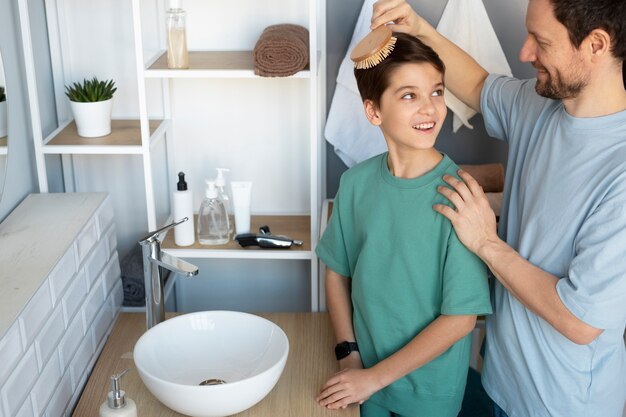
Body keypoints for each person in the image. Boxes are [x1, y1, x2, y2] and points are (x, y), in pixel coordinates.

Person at [370, 0, 626, 416]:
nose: (525, 53)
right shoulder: (538, 105)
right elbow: (478, 85)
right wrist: (419, 29)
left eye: (541, 41)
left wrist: (486, 242)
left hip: (559, 406)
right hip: (499, 381)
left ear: (596, 44)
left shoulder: (620, 172)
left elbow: (580, 321)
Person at [315, 32, 492, 417]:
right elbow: (336, 272)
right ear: (374, 111)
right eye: (409, 95)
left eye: (437, 91)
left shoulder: (461, 196)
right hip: (362, 380)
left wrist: (375, 377)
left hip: (428, 393)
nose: (430, 108)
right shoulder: (355, 184)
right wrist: (349, 355)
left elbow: (461, 319)